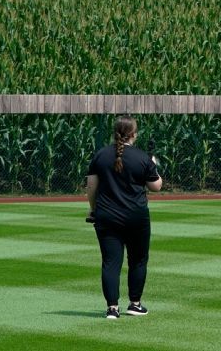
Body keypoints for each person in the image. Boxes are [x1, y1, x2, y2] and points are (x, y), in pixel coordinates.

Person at [86, 115, 162, 319]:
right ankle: (134, 304)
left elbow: (91, 187)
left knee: (111, 262)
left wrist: (93, 210)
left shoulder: (100, 155)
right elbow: (156, 186)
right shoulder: (142, 157)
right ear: (133, 135)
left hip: (107, 216)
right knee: (138, 260)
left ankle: (112, 308)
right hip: (136, 216)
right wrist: (154, 165)